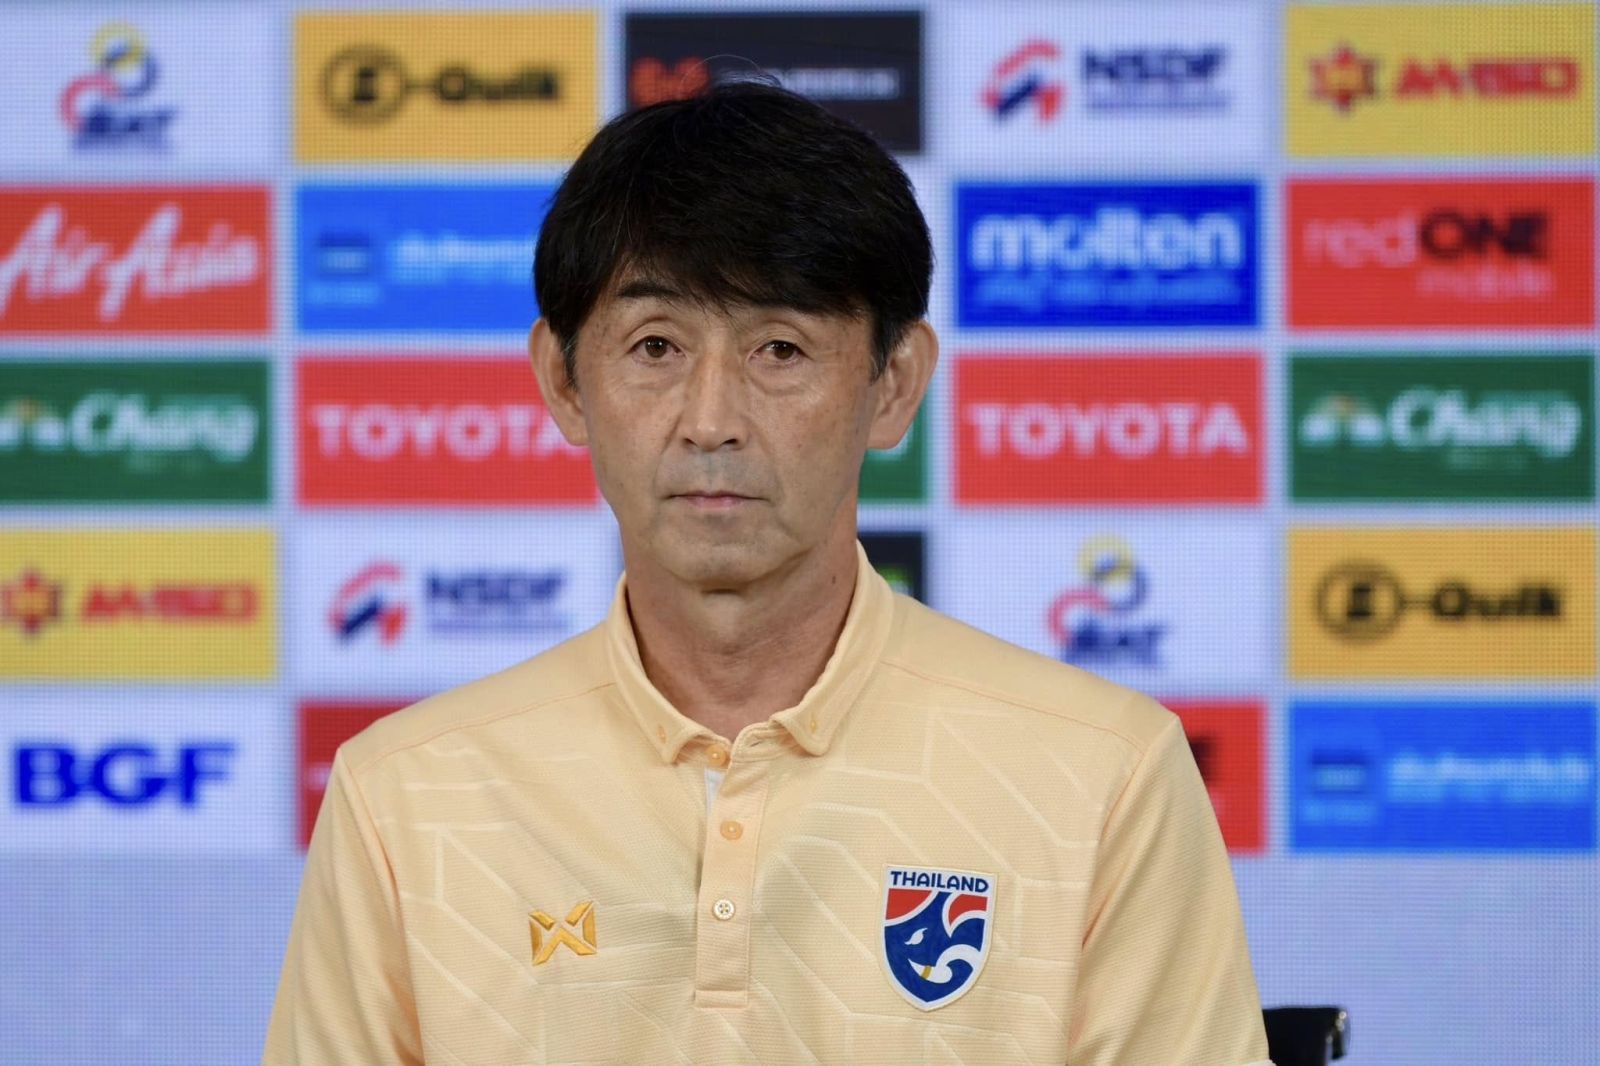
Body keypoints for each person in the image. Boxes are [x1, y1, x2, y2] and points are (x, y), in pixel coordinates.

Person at [265, 81, 1270, 1065]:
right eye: (655, 346)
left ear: (893, 384)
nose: (711, 420)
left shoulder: (1102, 776)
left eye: (780, 350)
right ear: (564, 381)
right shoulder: (406, 797)